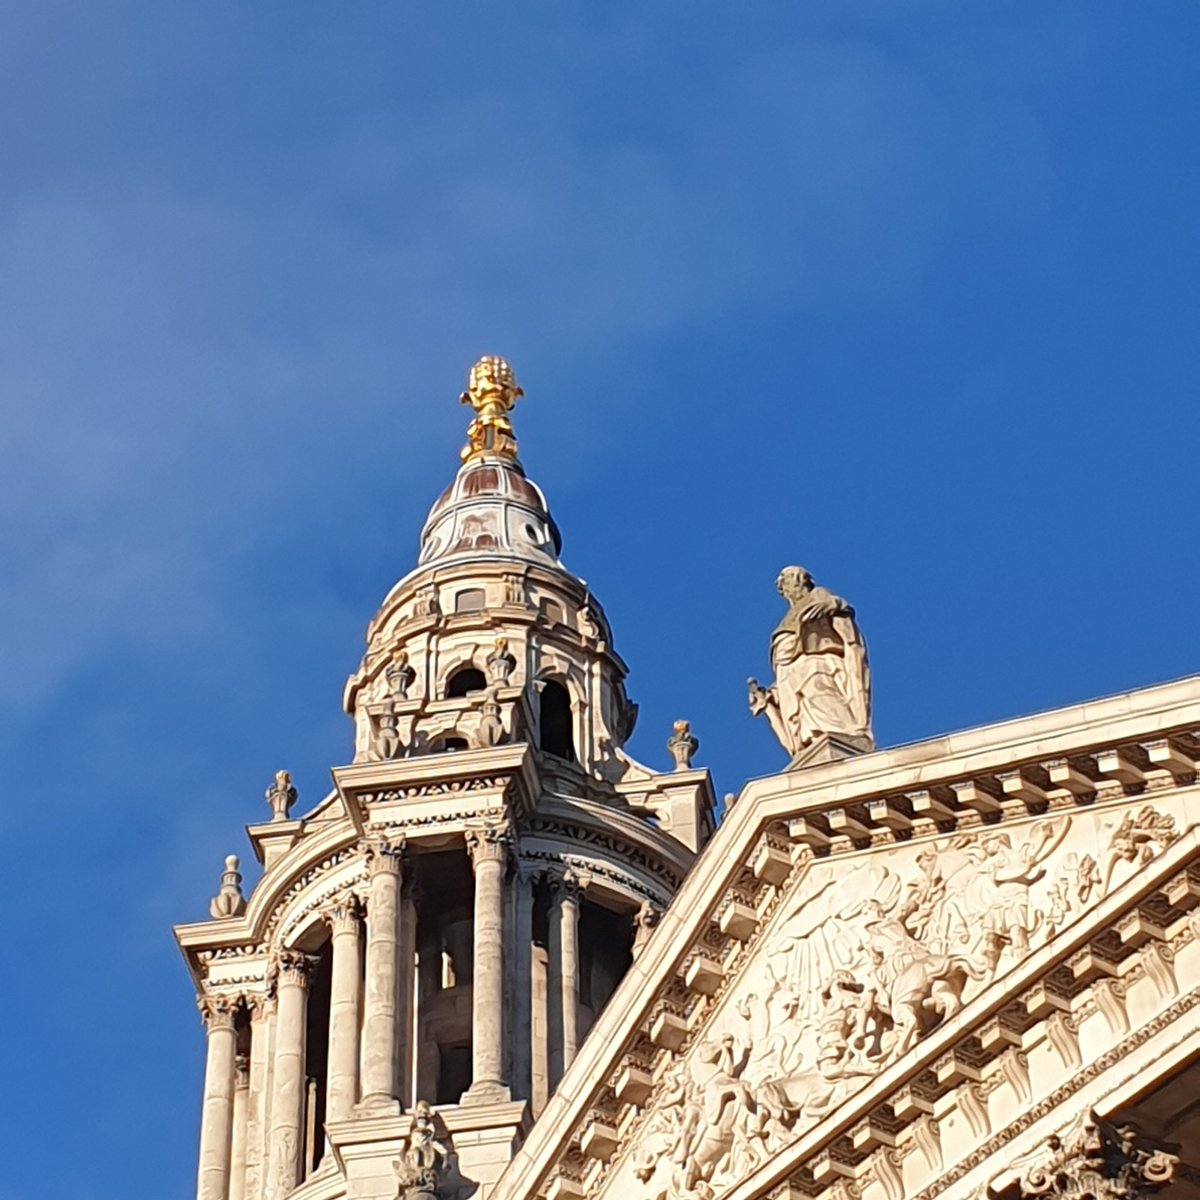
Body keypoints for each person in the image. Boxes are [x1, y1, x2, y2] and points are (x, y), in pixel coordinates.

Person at [749, 566, 872, 754]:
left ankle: (842, 735)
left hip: (817, 664)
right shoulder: (790, 614)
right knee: (803, 712)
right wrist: (772, 695)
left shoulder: (819, 596)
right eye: (783, 586)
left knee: (820, 693)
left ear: (801, 580)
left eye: (789, 582)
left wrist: (833, 605)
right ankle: (813, 743)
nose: (786, 589)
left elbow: (839, 611)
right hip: (791, 673)